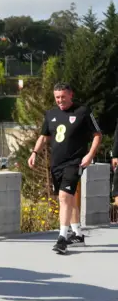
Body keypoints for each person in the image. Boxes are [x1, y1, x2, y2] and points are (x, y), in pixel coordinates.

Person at [28, 82, 102, 254]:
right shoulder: (51, 114)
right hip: (56, 164)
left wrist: (90, 155)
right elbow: (43, 136)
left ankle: (62, 238)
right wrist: (34, 153)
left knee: (63, 197)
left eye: (63, 96)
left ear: (71, 95)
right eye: (57, 97)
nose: (60, 100)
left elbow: (97, 135)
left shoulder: (83, 111)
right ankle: (77, 235)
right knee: (69, 198)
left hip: (75, 162)